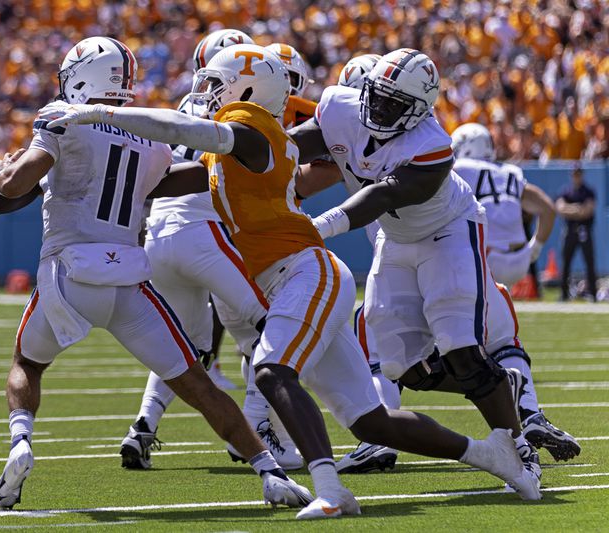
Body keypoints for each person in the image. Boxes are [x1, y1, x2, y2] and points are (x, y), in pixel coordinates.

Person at [48, 43, 541, 519]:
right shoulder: (245, 147)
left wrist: (99, 114)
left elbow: (182, 127)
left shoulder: (251, 129)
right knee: (370, 420)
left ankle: (329, 489)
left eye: (218, 85)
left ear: (246, 90)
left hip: (307, 271)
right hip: (291, 277)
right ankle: (491, 455)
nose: (209, 95)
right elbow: (175, 179)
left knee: (271, 369)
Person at [0, 36, 311, 511]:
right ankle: (270, 472)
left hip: (69, 272)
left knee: (28, 364)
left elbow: (12, 189)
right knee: (197, 383)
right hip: (128, 283)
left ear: (79, 77)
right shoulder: (148, 132)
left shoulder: (64, 118)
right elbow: (181, 180)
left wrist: (4, 173)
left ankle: (21, 444)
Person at [290, 49, 543, 488]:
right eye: (378, 96)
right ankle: (502, 384)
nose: (380, 109)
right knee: (399, 367)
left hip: (448, 231)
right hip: (396, 238)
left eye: (395, 104)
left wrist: (319, 227)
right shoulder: (339, 105)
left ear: (419, 112)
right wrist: (252, 157)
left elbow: (382, 197)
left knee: (458, 345)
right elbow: (292, 146)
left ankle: (516, 447)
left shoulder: (432, 145)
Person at [119, 28, 303, 472]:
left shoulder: (188, 105)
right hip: (208, 232)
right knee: (270, 329)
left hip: (158, 232)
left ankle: (142, 425)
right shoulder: (242, 112)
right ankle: (257, 429)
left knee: (184, 344)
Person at [452, 123, 556, 287]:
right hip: (520, 259)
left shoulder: (460, 168)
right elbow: (548, 208)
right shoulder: (510, 171)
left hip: (487, 258)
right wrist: (535, 247)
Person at [556, 166, 597, 301]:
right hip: (570, 231)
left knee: (589, 262)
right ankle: (564, 293)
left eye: (578, 174)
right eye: (574, 174)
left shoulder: (588, 191)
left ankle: (593, 293)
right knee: (566, 263)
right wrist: (577, 209)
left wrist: (572, 210)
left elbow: (588, 210)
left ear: (582, 175)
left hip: (584, 230)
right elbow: (560, 208)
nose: (576, 176)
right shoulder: (566, 191)